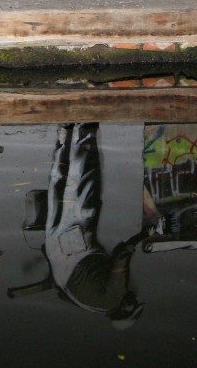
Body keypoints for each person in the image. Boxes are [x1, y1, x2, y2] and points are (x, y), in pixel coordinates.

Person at [42, 123, 147, 327]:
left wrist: (145, 235)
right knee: (58, 186)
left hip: (75, 248)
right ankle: (65, 131)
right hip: (56, 251)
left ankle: (84, 128)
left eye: (133, 304)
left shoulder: (114, 300)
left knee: (84, 182)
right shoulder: (94, 307)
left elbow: (121, 257)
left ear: (125, 310)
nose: (133, 298)